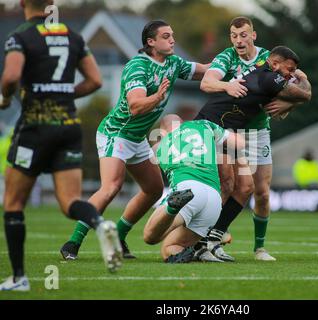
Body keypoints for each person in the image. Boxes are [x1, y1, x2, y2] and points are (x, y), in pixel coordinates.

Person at [60, 20, 209, 260]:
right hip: (116, 133)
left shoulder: (173, 62)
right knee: (111, 187)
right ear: (151, 42)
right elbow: (136, 105)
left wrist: (229, 65)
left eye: (172, 35)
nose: (172, 40)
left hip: (137, 137)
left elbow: (204, 70)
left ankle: (119, 237)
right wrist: (157, 96)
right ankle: (72, 243)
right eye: (166, 36)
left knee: (153, 190)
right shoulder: (137, 66)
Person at [0, 0, 122, 292]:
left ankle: (19, 278)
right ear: (52, 4)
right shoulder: (72, 35)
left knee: (14, 203)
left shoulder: (20, 36)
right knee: (69, 202)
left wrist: (5, 98)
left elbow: (12, 77)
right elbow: (94, 80)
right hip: (69, 127)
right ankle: (100, 224)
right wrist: (65, 95)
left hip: (35, 127)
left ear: (22, 3)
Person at [199, 16, 312, 262]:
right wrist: (227, 86)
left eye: (243, 35)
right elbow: (207, 82)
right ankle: (208, 239)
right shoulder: (226, 57)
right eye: (234, 35)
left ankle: (259, 248)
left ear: (253, 35)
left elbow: (304, 85)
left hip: (258, 131)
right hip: (230, 130)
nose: (238, 41)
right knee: (228, 186)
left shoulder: (271, 58)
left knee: (261, 192)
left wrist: (286, 104)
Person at [143, 114, 245, 263]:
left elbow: (141, 169)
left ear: (162, 133)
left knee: (150, 237)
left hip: (187, 189)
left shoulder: (158, 146)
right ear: (183, 123)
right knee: (170, 246)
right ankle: (192, 251)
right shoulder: (204, 125)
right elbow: (240, 143)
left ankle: (172, 207)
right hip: (214, 200)